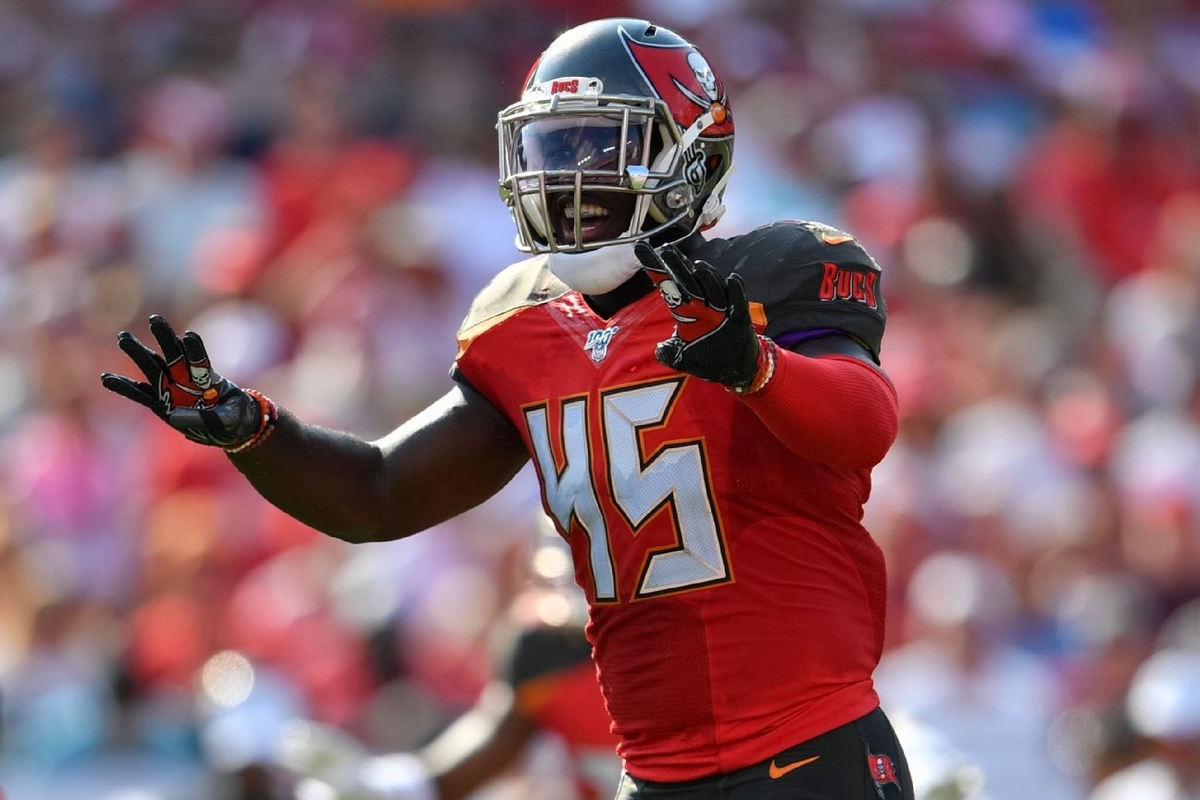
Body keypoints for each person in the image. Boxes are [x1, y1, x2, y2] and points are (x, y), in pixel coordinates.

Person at [101, 17, 911, 800]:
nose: (567, 175)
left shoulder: (771, 275)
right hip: (657, 776)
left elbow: (866, 425)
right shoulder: (522, 324)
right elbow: (381, 494)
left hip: (809, 751)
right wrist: (253, 432)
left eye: (601, 145)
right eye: (552, 147)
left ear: (691, 157)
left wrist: (755, 366)